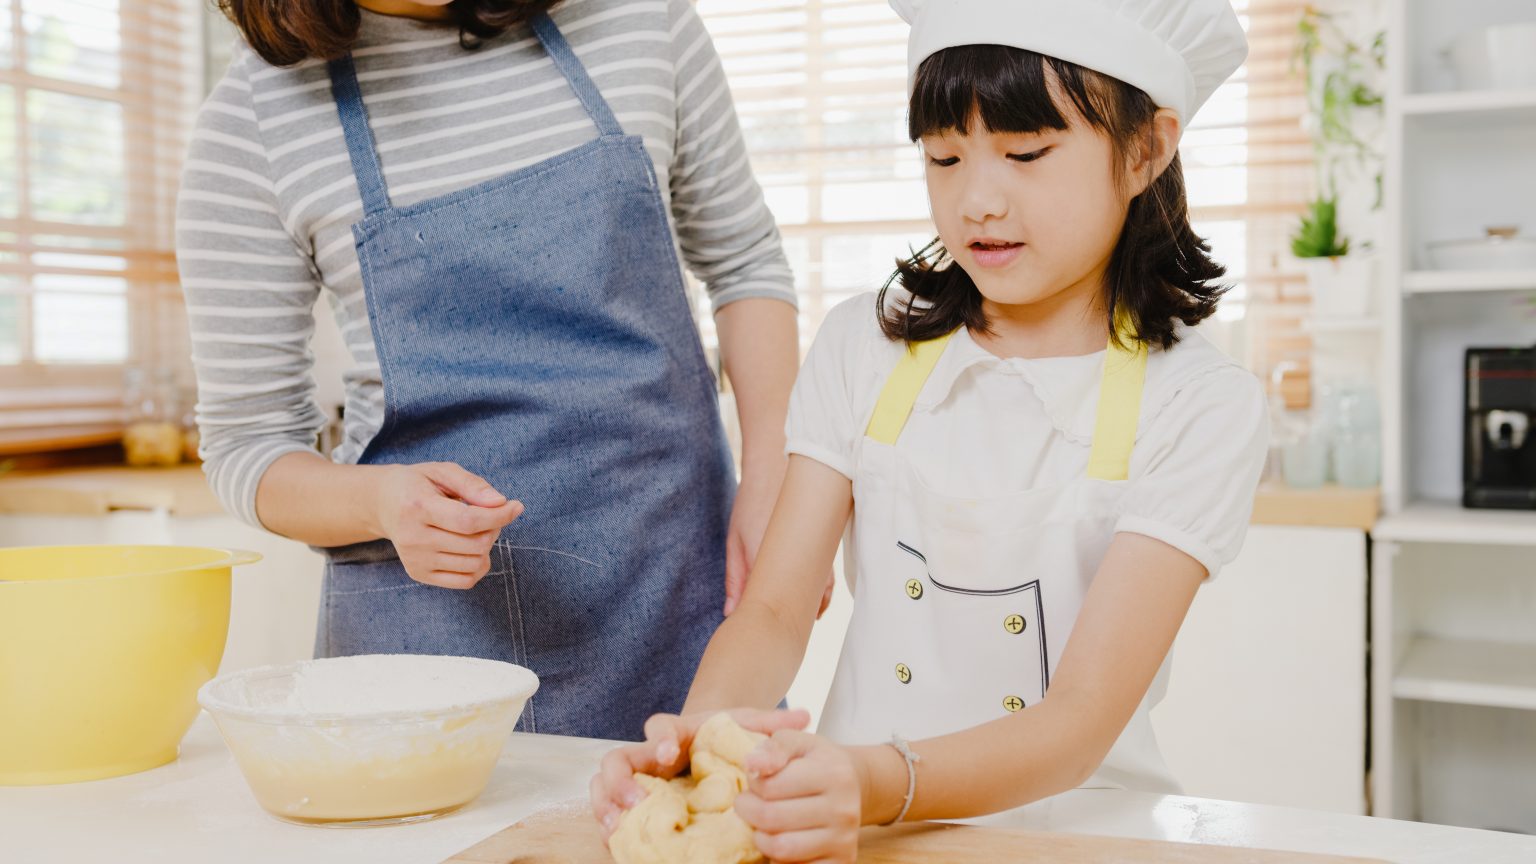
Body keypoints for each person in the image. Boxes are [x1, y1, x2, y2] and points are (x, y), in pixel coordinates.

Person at [590, 0, 1269, 859]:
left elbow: (1079, 724)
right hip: (847, 830)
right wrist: (692, 746)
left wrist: (873, 782)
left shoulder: (1201, 404)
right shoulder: (862, 346)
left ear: (1147, 149)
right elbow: (772, 609)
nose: (977, 200)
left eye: (1027, 153)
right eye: (944, 156)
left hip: (1079, 837)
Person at [176, 0, 813, 741]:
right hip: (425, 655)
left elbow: (744, 262)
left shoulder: (638, 16)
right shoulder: (253, 121)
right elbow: (246, 446)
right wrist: (380, 502)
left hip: (679, 598)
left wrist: (774, 477)